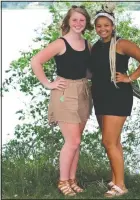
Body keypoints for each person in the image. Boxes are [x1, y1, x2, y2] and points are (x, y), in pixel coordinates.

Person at [89, 3, 140, 198]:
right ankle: (116, 179)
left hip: (117, 95)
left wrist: (130, 77)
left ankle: (121, 186)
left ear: (113, 26)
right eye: (98, 26)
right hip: (100, 96)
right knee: (114, 141)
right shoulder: (96, 46)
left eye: (106, 25)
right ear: (95, 28)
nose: (102, 29)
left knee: (108, 141)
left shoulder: (121, 44)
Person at [31, 5, 93, 197]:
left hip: (83, 91)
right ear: (67, 21)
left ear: (86, 23)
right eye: (74, 20)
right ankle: (63, 181)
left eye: (82, 20)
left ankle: (72, 180)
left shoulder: (87, 44)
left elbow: (88, 71)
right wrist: (48, 83)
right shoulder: (60, 43)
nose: (78, 23)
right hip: (64, 93)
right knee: (72, 141)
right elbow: (36, 61)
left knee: (77, 141)